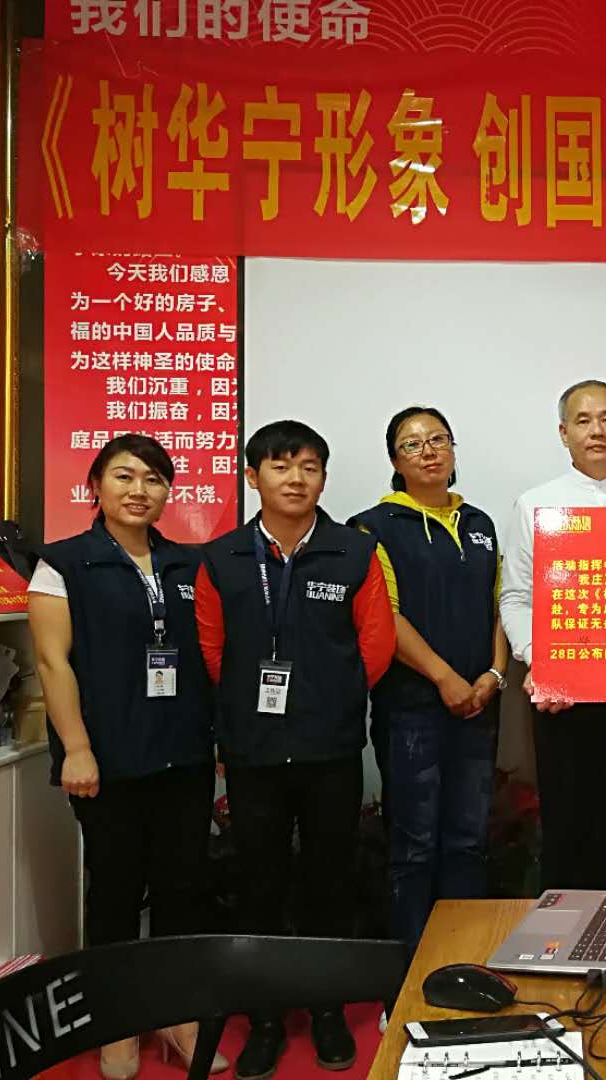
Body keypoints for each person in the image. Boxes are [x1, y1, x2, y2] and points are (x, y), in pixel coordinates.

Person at [195, 421, 395, 1079]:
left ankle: (328, 1008)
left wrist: (329, 698)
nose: (296, 478)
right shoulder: (222, 557)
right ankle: (267, 1018)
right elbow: (212, 650)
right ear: (253, 476)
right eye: (280, 466)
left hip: (329, 747)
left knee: (329, 881)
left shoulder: (354, 552)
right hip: (252, 750)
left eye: (309, 467)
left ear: (323, 478)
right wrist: (249, 708)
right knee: (259, 883)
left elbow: (375, 644)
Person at [29, 435, 226, 1079]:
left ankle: (177, 1016)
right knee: (114, 890)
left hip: (183, 755)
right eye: (124, 476)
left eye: (154, 479)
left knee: (183, 889)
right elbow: (52, 662)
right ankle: (117, 1022)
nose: (139, 490)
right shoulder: (63, 563)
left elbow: (209, 655)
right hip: (107, 759)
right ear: (95, 486)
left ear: (169, 492)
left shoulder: (188, 563)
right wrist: (77, 748)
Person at [349, 406, 509, 960]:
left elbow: (500, 606)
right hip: (411, 708)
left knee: (469, 841)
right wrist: (445, 678)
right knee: (414, 846)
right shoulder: (373, 526)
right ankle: (412, 970)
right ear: (395, 461)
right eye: (412, 444)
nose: (428, 451)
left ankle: (466, 962)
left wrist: (493, 675)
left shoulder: (481, 524)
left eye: (438, 439)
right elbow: (384, 616)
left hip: (479, 706)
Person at [499, 379, 606, 891]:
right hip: (562, 696)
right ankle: (563, 933)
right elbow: (516, 597)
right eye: (583, 420)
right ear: (563, 433)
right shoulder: (536, 503)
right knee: (567, 823)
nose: (596, 431)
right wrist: (541, 661)